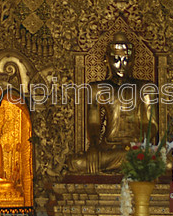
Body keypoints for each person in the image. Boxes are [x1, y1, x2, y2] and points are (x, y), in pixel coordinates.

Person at [68, 33, 158, 174]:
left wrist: (143, 144)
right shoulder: (97, 88)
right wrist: (93, 147)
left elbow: (151, 123)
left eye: (126, 59)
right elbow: (94, 123)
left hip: (137, 149)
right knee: (76, 163)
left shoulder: (146, 88)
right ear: (106, 60)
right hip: (109, 149)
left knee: (168, 163)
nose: (121, 64)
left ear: (133, 60)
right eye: (116, 59)